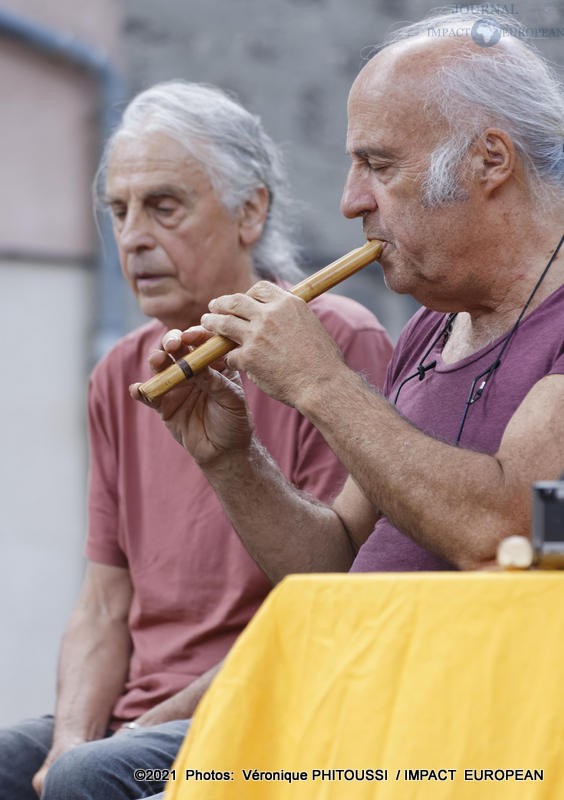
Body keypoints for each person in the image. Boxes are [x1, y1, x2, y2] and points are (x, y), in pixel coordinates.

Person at [0, 82, 392, 800]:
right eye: (118, 211)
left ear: (251, 211)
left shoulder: (335, 339)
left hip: (272, 711)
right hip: (139, 718)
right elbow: (103, 603)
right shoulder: (120, 370)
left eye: (164, 206)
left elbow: (323, 601)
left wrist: (132, 735)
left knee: (90, 777)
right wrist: (70, 741)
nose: (133, 237)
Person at [133, 9, 564, 593]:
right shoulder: (432, 327)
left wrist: (321, 384)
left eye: (378, 164)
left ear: (489, 159)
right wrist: (231, 460)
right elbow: (333, 568)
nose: (350, 200)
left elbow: (507, 537)